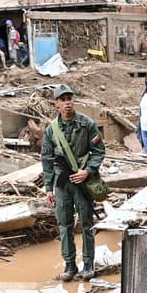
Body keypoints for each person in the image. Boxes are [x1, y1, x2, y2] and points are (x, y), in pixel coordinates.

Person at [41, 84, 106, 282]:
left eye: (69, 98)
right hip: (62, 184)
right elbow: (46, 159)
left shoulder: (86, 124)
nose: (67, 103)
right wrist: (48, 188)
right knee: (64, 224)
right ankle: (70, 265)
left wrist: (88, 171)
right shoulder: (51, 130)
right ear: (56, 103)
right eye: (63, 100)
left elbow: (99, 151)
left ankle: (88, 264)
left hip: (83, 182)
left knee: (86, 223)